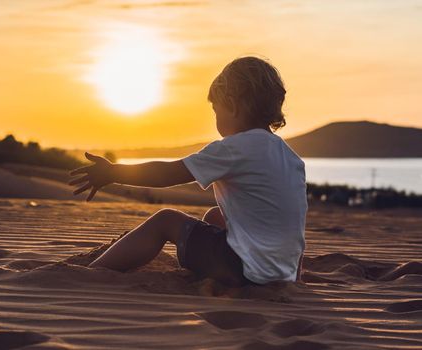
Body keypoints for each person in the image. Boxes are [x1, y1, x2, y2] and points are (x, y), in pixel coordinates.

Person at [69, 56, 307, 287]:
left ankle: (92, 273)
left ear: (233, 105)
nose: (216, 118)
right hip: (283, 274)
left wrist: (113, 173)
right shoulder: (291, 158)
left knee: (166, 220)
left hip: (243, 271)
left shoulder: (235, 148)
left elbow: (169, 173)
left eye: (216, 110)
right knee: (215, 216)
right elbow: (290, 224)